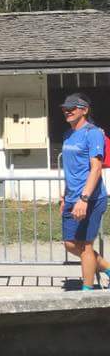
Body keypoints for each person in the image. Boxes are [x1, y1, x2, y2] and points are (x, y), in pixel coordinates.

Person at [59, 92, 110, 290]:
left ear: (85, 110)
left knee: (86, 245)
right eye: (65, 108)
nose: (67, 111)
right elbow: (70, 169)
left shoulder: (93, 133)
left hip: (90, 198)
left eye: (72, 108)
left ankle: (86, 292)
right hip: (72, 197)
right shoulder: (68, 134)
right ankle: (107, 268)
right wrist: (65, 196)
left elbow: (96, 169)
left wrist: (84, 198)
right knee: (70, 243)